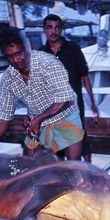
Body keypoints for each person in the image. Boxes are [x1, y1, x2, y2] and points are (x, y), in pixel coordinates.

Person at [0, 27, 84, 160]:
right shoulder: (8, 79)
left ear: (27, 46)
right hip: (37, 122)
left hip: (65, 115)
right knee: (28, 164)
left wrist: (38, 119)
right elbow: (3, 116)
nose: (16, 59)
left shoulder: (48, 63)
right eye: (10, 56)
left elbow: (65, 99)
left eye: (19, 53)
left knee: (74, 165)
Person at [40, 14, 99, 162]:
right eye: (49, 27)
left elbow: (84, 77)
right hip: (53, 107)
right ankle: (63, 174)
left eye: (57, 27)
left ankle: (86, 170)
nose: (53, 31)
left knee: (80, 138)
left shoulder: (73, 49)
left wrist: (93, 104)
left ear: (61, 30)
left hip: (74, 105)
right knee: (57, 144)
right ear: (44, 30)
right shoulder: (40, 54)